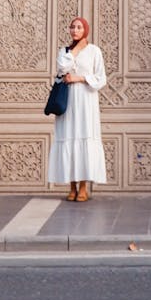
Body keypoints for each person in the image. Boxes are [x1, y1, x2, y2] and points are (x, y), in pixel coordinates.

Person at [47, 17, 106, 202]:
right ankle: (71, 186)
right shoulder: (64, 51)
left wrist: (79, 78)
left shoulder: (95, 51)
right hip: (68, 101)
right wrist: (76, 50)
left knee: (84, 137)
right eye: (72, 27)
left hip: (86, 101)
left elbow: (101, 78)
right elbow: (62, 67)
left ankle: (83, 187)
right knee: (69, 138)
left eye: (79, 27)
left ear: (85, 30)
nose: (75, 30)